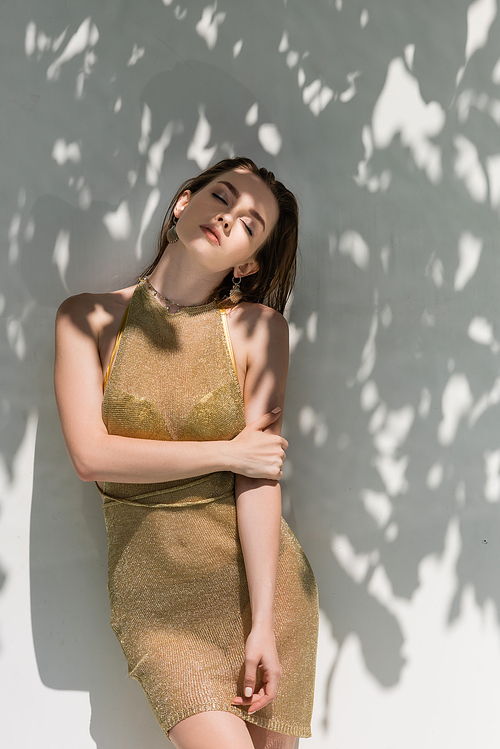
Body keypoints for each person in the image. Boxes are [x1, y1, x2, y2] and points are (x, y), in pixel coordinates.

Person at [54, 157, 318, 749]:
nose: (227, 218)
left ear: (248, 263)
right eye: (221, 197)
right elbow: (91, 457)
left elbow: (259, 480)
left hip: (262, 589)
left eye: (250, 225)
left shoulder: (259, 329)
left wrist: (266, 624)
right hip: (156, 597)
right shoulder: (87, 318)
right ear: (183, 203)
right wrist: (228, 453)